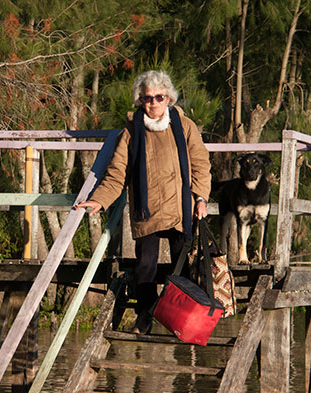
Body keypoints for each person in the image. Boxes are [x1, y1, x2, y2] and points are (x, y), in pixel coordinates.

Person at [75, 70, 211, 334]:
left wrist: (201, 198)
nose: (154, 103)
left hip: (180, 208)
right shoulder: (131, 132)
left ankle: (180, 322)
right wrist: (98, 201)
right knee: (144, 268)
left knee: (181, 266)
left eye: (159, 97)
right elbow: (117, 174)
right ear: (140, 100)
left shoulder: (184, 126)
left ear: (168, 98)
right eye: (148, 98)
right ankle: (144, 318)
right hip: (146, 210)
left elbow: (201, 165)